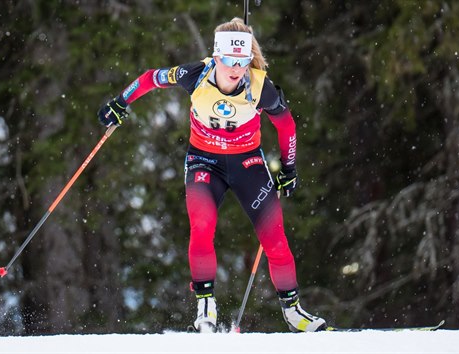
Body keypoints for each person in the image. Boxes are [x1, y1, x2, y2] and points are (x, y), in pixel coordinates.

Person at [97, 17, 326, 333]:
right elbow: (151, 78)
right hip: (205, 162)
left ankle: (294, 312)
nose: (236, 68)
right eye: (229, 61)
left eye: (242, 61)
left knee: (274, 238)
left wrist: (288, 168)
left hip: (248, 164)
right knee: (202, 225)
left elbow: (286, 125)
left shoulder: (260, 88)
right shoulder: (196, 74)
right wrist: (121, 102)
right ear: (216, 57)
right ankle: (206, 306)